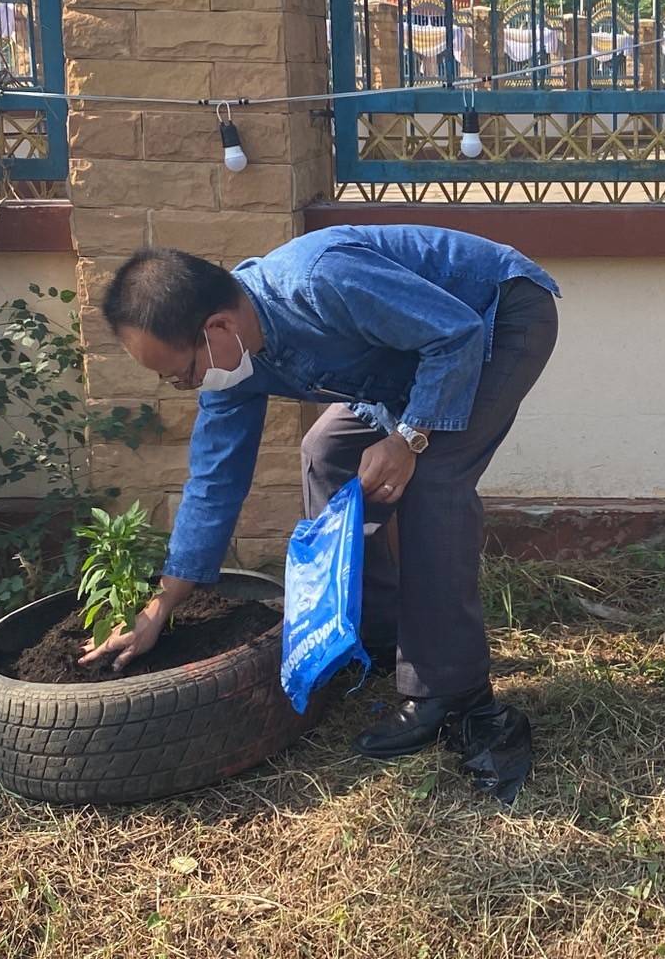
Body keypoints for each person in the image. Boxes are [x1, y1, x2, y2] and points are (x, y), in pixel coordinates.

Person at [78, 225, 560, 759]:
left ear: (218, 327)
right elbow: (215, 480)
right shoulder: (234, 365)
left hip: (495, 316)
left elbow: (455, 334)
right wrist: (161, 603)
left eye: (184, 373)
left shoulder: (320, 281)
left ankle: (450, 690)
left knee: (430, 478)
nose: (186, 386)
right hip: (412, 356)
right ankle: (377, 634)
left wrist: (408, 438)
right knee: (327, 452)